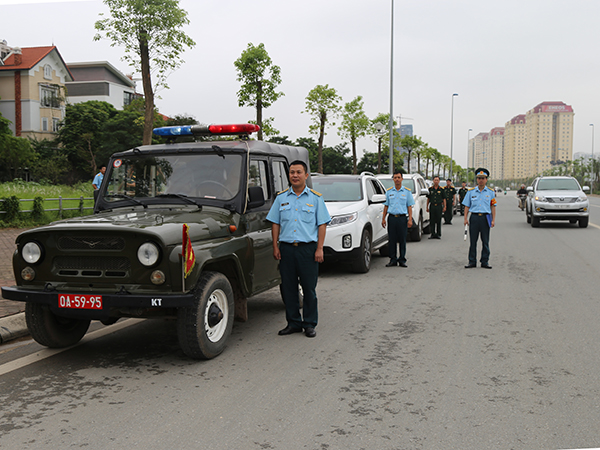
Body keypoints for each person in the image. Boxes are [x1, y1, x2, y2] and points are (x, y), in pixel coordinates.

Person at [267, 160, 331, 338]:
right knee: (288, 288)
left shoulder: (315, 198)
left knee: (309, 288)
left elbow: (322, 225)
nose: (294, 175)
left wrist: (319, 248)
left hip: (307, 250)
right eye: (291, 172)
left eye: (298, 172)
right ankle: (293, 322)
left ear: (306, 175)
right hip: (286, 249)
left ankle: (309, 323)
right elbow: (275, 223)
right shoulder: (281, 198)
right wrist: (275, 246)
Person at [463, 168, 497, 269]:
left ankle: (485, 261)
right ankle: (472, 261)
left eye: (483, 178)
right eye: (479, 178)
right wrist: (465, 218)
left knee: (485, 241)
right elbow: (467, 206)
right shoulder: (471, 192)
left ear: (486, 179)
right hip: (474, 217)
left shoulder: (490, 192)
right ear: (476, 180)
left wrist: (493, 220)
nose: (481, 180)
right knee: (473, 241)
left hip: (485, 218)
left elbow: (493, 207)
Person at [381, 170, 414, 267]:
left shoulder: (407, 192)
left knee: (402, 239)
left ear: (402, 179)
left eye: (399, 177)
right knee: (392, 239)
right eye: (395, 178)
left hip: (402, 219)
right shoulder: (389, 191)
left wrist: (410, 219)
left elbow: (409, 206)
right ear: (393, 179)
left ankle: (402, 259)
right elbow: (386, 206)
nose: (397, 179)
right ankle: (393, 259)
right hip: (392, 218)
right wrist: (383, 218)